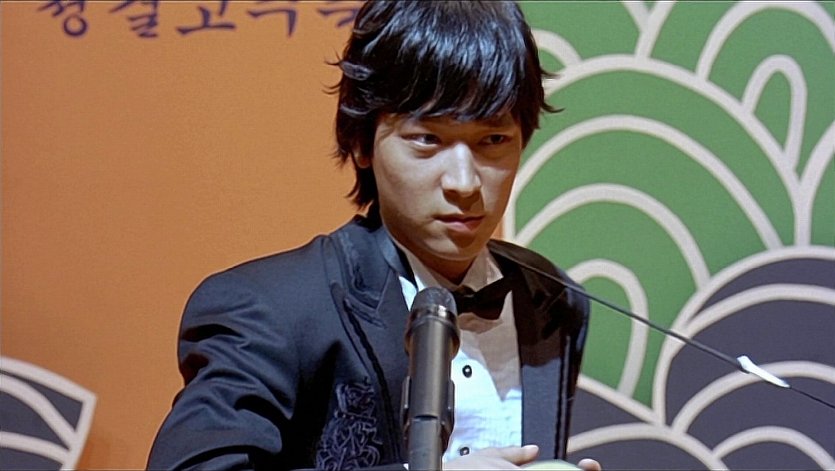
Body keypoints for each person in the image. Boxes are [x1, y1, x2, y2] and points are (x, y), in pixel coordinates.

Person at [148, 2, 599, 470]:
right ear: (362, 142)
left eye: (494, 141)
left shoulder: (552, 300)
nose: (464, 183)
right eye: (427, 139)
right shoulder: (268, 308)